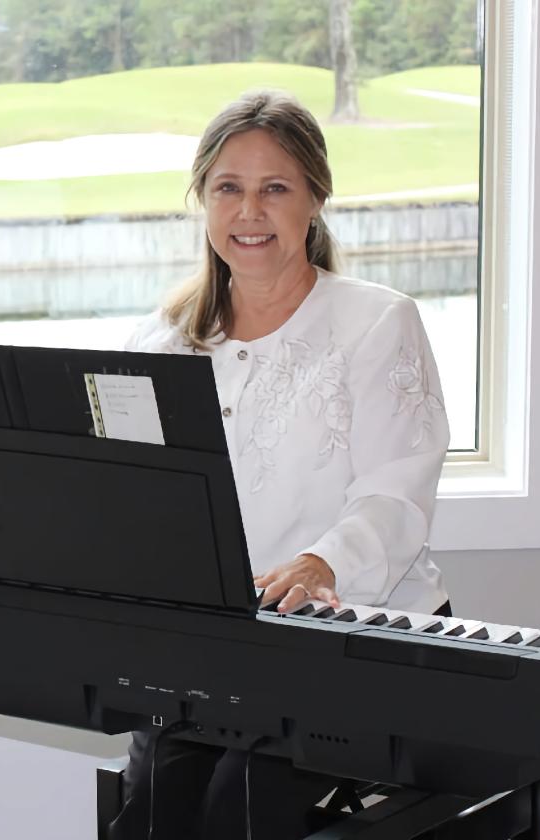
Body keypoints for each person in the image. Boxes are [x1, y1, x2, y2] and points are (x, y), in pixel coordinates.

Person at [108, 90, 451, 839]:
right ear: (203, 199)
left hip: (358, 636)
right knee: (153, 818)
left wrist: (323, 562)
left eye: (276, 188)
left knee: (241, 807)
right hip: (220, 652)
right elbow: (131, 500)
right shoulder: (160, 341)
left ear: (315, 200)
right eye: (229, 187)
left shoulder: (377, 321)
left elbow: (397, 496)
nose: (250, 212)